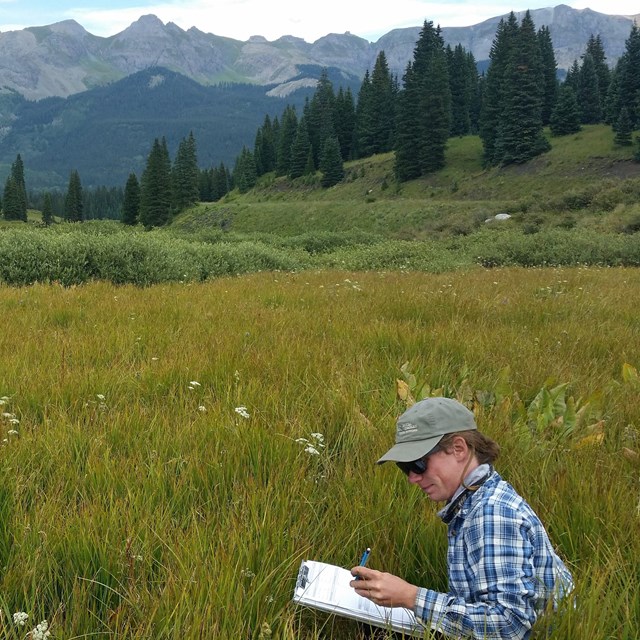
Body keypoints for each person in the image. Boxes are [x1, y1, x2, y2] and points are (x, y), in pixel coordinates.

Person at [349, 397, 573, 640]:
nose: (412, 478)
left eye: (418, 464)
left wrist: (410, 597)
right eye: (405, 467)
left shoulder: (492, 514)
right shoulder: (472, 501)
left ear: (459, 449)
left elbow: (509, 625)